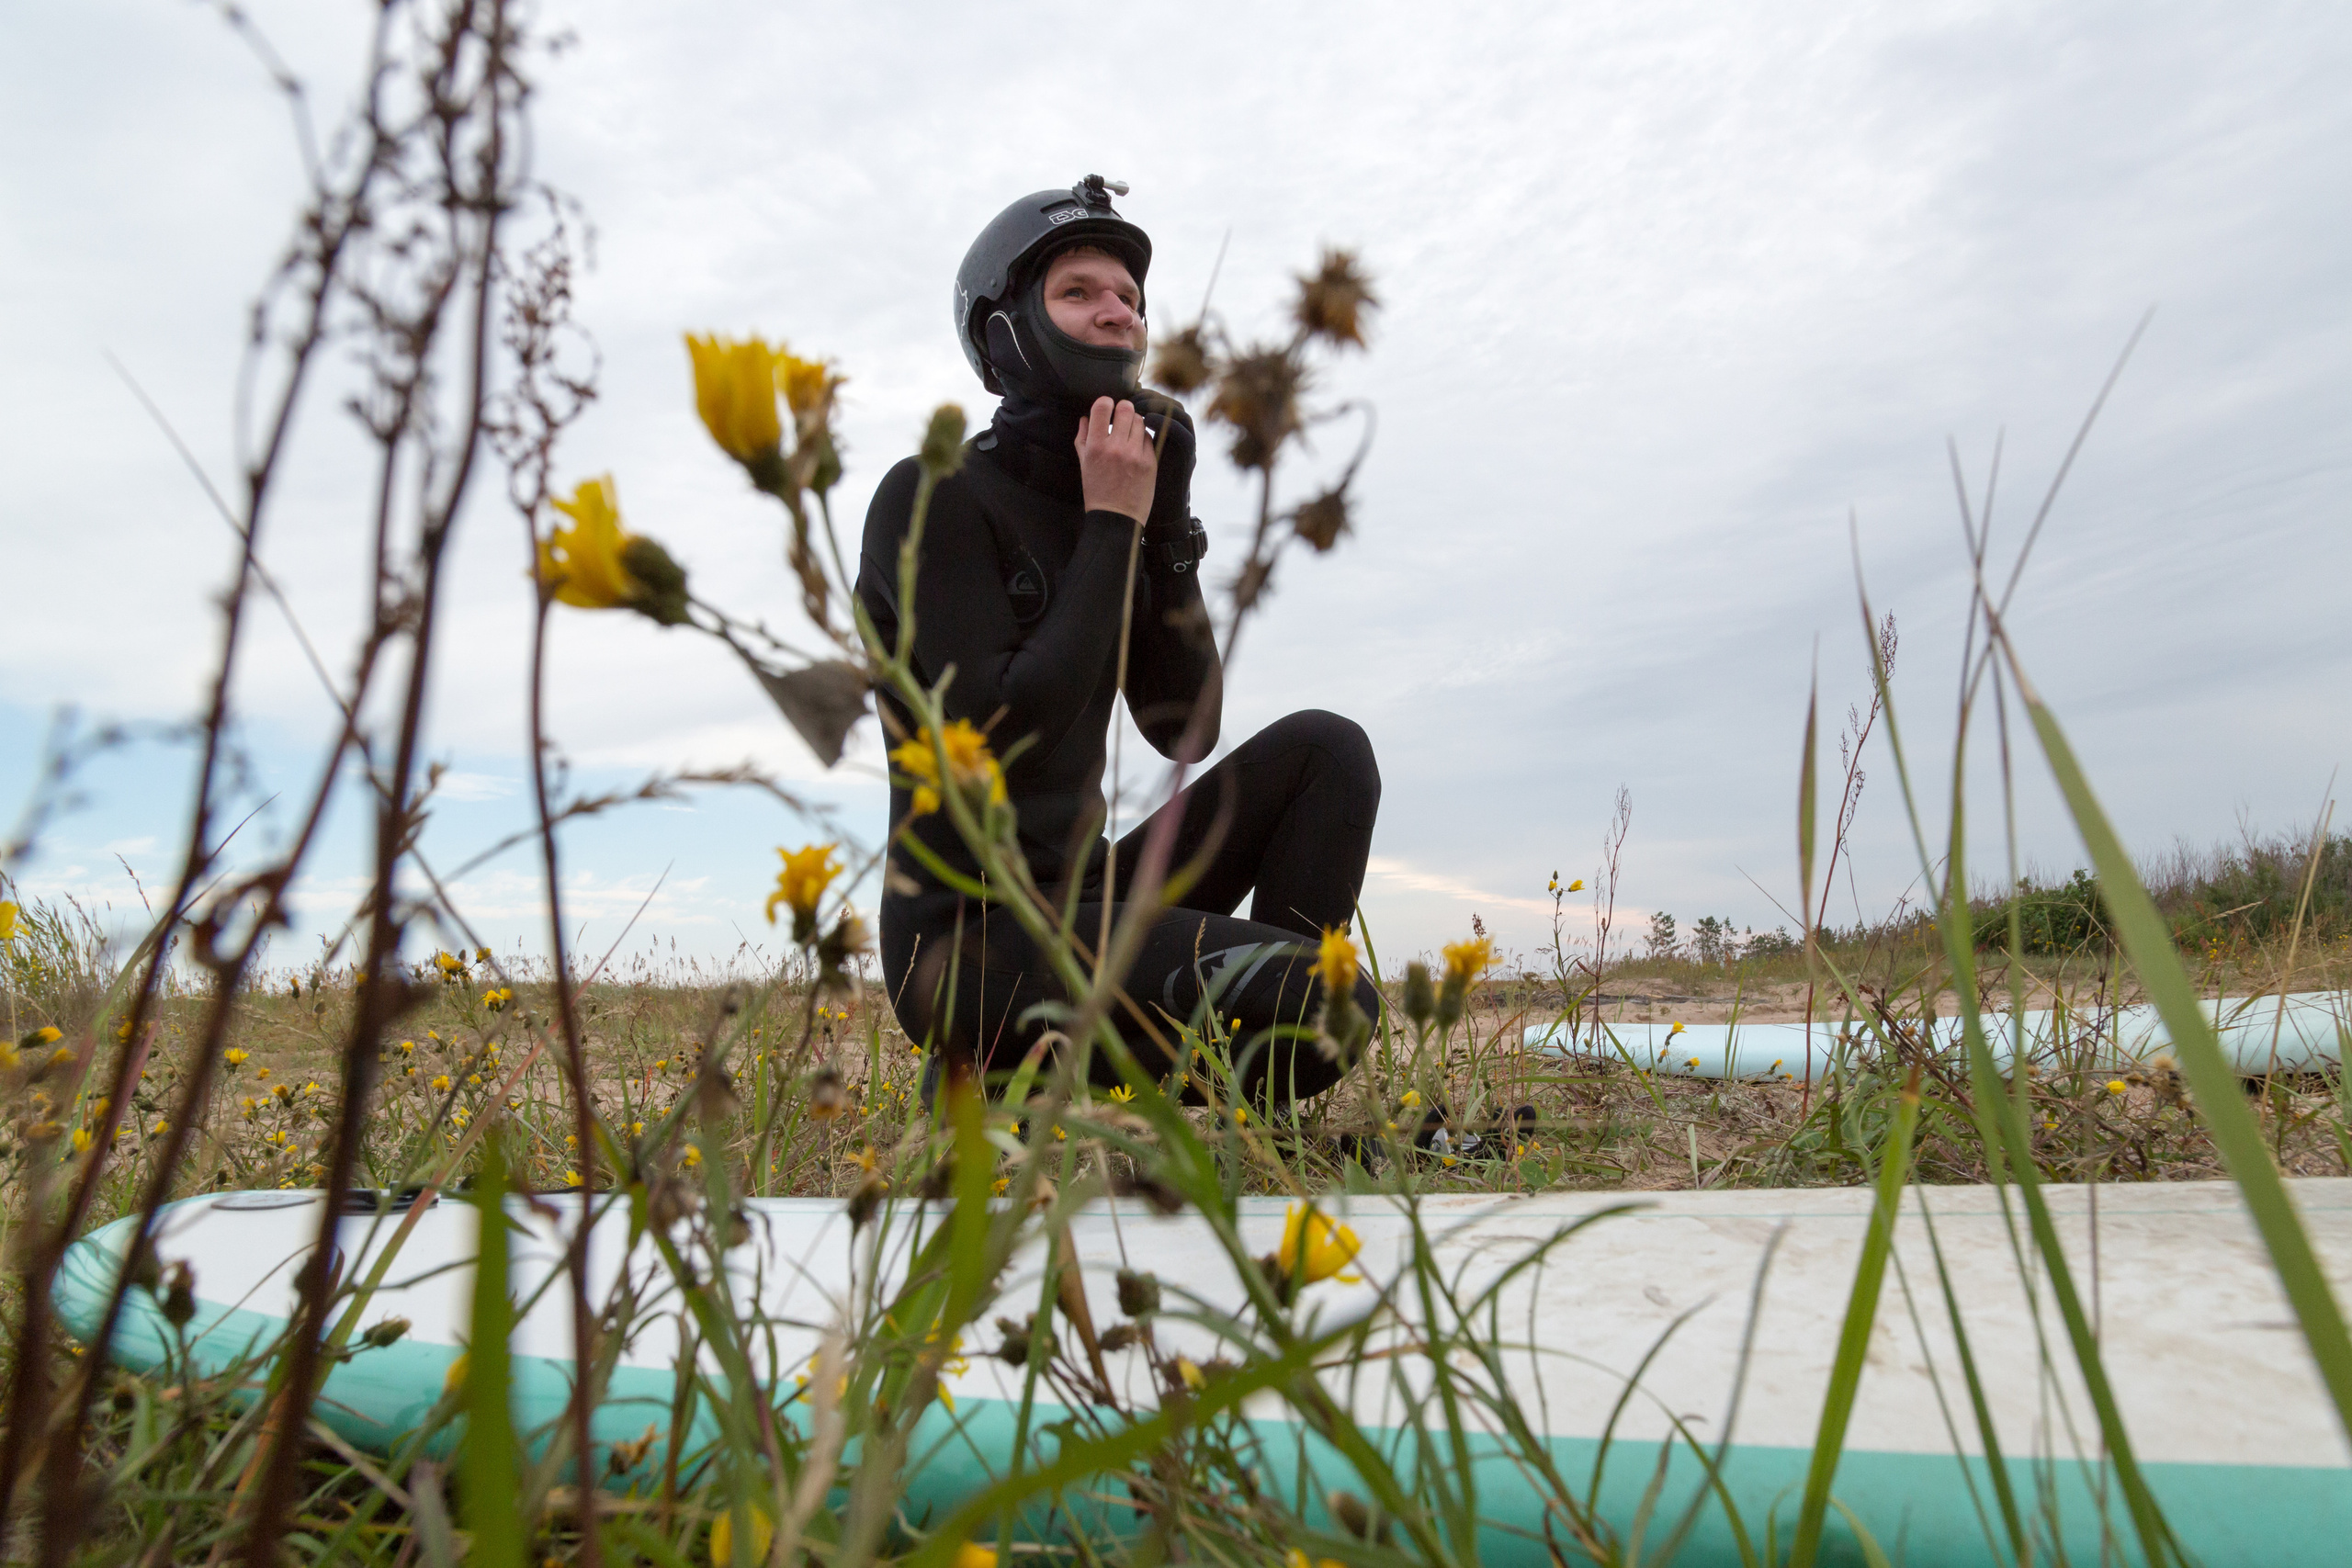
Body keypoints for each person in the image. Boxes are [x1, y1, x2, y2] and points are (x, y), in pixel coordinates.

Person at [856, 175, 1382, 1109]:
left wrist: (1165, 524)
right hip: (967, 945)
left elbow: (1183, 729)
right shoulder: (931, 497)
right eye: (1078, 293)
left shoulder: (1123, 497)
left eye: (1130, 299)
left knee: (1325, 752)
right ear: (1002, 331)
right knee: (1328, 999)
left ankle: (1251, 1108)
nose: (1118, 317)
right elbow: (1002, 731)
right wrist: (1112, 524)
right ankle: (996, 1063)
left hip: (1084, 898)